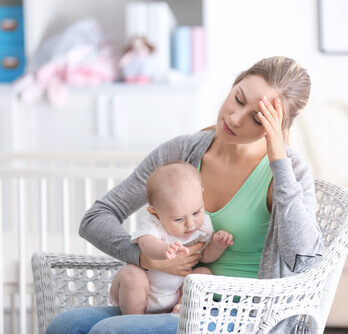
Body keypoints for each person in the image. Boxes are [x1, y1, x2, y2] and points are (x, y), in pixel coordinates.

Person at [46, 56, 324, 333]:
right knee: (65, 325)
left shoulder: (289, 172)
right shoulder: (182, 152)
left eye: (257, 118)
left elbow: (304, 260)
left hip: (241, 316)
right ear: (234, 84)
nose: (235, 118)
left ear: (276, 126)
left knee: (110, 331)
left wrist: (278, 159)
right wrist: (147, 259)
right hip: (173, 302)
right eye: (238, 99)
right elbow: (95, 218)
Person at [109, 161, 233, 315]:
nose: (190, 224)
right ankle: (132, 320)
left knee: (204, 273)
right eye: (179, 219)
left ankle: (182, 307)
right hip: (143, 292)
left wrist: (217, 245)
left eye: (196, 213)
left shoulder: (203, 225)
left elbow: (204, 256)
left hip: (174, 294)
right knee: (132, 274)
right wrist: (164, 250)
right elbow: (146, 244)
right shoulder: (152, 223)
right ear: (155, 212)